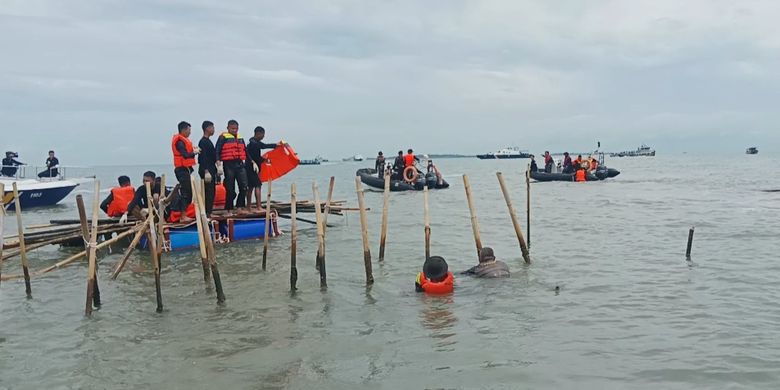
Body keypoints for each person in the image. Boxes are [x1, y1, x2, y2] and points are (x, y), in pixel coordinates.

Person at [215, 119, 248, 212]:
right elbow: (217, 150)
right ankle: (228, 208)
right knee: (230, 188)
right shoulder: (223, 137)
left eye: (236, 129)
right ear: (228, 128)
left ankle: (239, 206)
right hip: (228, 165)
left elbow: (245, 150)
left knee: (244, 186)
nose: (234, 130)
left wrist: (252, 162)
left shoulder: (240, 138)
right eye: (232, 128)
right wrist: (218, 163)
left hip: (240, 164)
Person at [245, 126, 279, 211]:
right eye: (263, 134)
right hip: (252, 167)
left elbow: (258, 153)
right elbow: (263, 147)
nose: (263, 136)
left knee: (250, 187)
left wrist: (263, 159)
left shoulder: (252, 142)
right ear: (258, 133)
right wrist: (275, 145)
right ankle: (259, 207)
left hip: (249, 167)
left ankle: (248, 207)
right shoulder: (254, 143)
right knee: (257, 185)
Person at [172, 121, 199, 223]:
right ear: (183, 130)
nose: (190, 132)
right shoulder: (179, 141)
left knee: (189, 193)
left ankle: (185, 214)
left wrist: (194, 151)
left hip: (186, 169)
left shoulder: (184, 140)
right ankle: (183, 216)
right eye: (189, 130)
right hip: (181, 170)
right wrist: (194, 152)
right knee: (185, 192)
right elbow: (185, 155)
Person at [198, 120, 218, 216]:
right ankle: (207, 212)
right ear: (207, 129)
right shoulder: (203, 142)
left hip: (211, 168)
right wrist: (206, 171)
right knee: (209, 191)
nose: (214, 130)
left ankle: (209, 210)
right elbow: (203, 157)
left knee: (212, 191)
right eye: (212, 128)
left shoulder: (209, 141)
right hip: (206, 169)